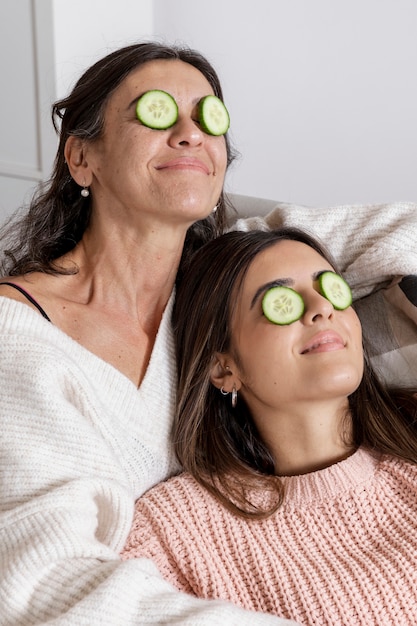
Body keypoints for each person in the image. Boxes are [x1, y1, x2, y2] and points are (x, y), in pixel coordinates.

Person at [0, 42, 300, 625]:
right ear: (82, 158)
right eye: (157, 111)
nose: (192, 132)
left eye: (209, 116)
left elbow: (382, 232)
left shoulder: (231, 286)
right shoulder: (18, 336)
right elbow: (41, 576)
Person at [122, 227, 417, 626]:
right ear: (223, 368)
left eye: (331, 288)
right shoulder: (175, 532)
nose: (321, 308)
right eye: (282, 301)